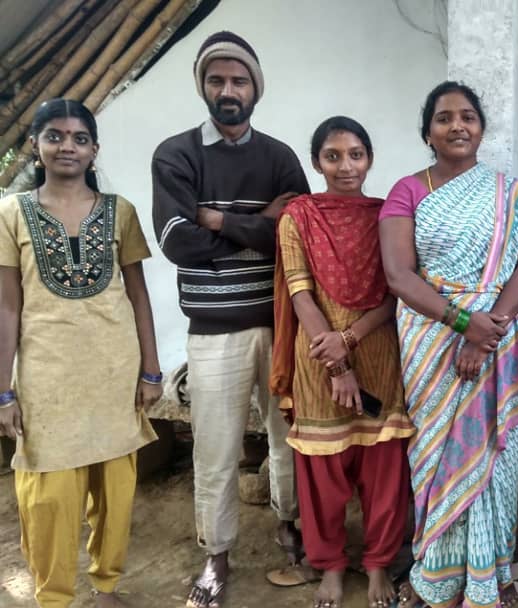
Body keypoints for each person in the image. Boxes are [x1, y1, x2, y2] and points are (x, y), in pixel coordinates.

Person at [150, 31, 310, 608]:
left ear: (255, 88)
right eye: (216, 80)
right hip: (214, 330)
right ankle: (216, 553)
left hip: (280, 321)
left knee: (288, 437)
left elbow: (295, 233)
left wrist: (216, 220)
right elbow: (176, 242)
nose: (228, 90)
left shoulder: (281, 157)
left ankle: (289, 525)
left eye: (238, 80)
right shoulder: (177, 154)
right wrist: (254, 228)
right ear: (203, 86)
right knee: (214, 447)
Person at [380, 81, 518, 608]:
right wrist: (461, 322)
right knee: (434, 454)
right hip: (431, 340)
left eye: (467, 116)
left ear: (481, 127)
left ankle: (486, 575)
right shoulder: (407, 190)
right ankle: (437, 575)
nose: (457, 125)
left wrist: (487, 328)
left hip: (496, 335)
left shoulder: (509, 192)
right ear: (427, 131)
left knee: (495, 456)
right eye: (444, 117)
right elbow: (400, 276)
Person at [0, 99, 161, 607]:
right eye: (55, 135)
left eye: (78, 137)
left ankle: (106, 584)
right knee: (47, 496)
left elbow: (138, 295)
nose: (66, 145)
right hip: (47, 378)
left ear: (94, 149)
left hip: (114, 373)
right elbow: (6, 308)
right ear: (36, 146)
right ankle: (54, 595)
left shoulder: (120, 212)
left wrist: (152, 371)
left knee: (115, 488)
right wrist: (3, 390)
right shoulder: (11, 214)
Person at [270, 116, 414, 608]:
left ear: (369, 158)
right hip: (318, 357)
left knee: (382, 464)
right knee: (322, 469)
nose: (345, 165)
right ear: (316, 162)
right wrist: (336, 362)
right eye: (333, 156)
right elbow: (299, 290)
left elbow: (400, 289)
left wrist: (349, 338)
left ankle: (377, 563)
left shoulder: (388, 214)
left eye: (355, 154)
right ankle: (328, 565)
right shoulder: (299, 216)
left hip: (376, 351)